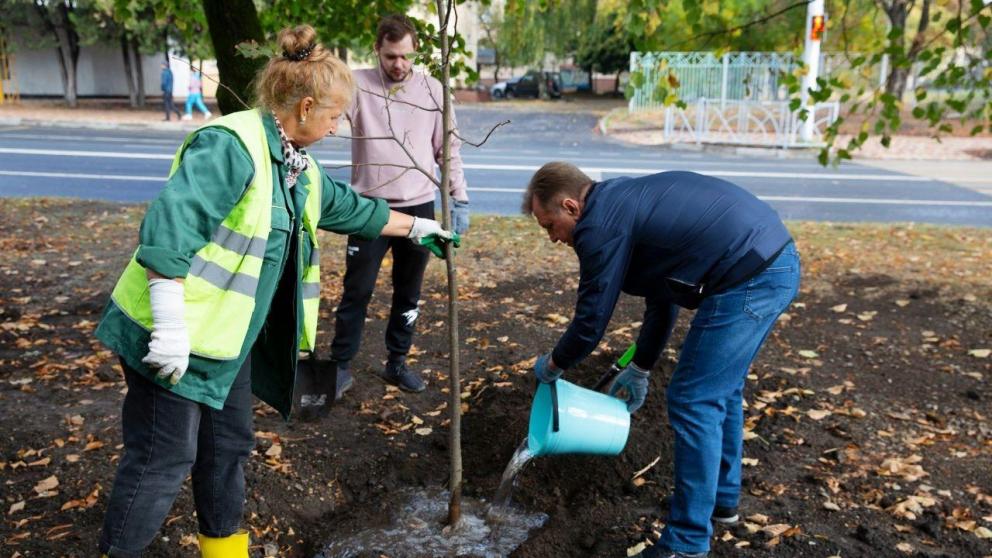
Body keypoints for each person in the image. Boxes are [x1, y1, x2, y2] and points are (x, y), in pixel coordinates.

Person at [94, 25, 454, 558]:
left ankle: (225, 552)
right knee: (163, 458)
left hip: (224, 344)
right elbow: (169, 231)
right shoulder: (232, 147)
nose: (336, 129)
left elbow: (353, 208)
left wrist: (421, 229)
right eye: (334, 117)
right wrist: (169, 327)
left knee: (227, 451)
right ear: (305, 107)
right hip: (168, 337)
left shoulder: (296, 167)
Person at [523, 163, 800, 558]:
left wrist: (553, 365)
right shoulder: (621, 204)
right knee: (719, 389)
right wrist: (640, 366)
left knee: (693, 399)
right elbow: (663, 296)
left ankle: (686, 544)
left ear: (570, 206)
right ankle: (721, 502)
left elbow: (591, 320)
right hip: (769, 260)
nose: (553, 238)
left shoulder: (598, 226)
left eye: (549, 226)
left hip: (751, 274)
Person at [328, 14, 470, 395]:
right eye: (391, 56)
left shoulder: (434, 91)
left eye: (406, 56)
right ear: (377, 50)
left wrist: (459, 197)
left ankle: (397, 362)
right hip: (367, 208)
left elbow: (448, 150)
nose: (399, 65)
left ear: (416, 52)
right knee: (356, 290)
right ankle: (340, 365)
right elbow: (325, 111)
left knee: (409, 290)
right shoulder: (356, 86)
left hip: (419, 207)